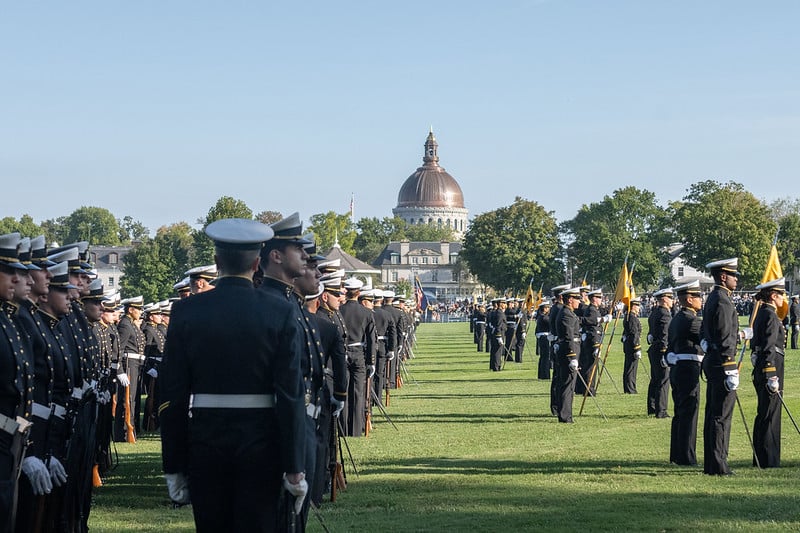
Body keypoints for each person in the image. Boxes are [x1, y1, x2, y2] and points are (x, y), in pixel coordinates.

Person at [160, 217, 307, 532]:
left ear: (216, 262)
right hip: (261, 446)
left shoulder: (187, 311)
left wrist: (173, 465)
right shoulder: (279, 311)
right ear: (257, 263)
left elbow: (172, 395)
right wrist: (294, 467)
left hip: (205, 444)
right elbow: (290, 394)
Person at [702, 258, 750, 476]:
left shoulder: (716, 298)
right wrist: (730, 367)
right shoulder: (722, 300)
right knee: (721, 415)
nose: (736, 279)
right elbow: (723, 337)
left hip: (714, 362)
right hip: (723, 364)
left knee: (714, 413)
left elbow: (711, 334)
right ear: (723, 276)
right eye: (733, 275)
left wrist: (739, 335)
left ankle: (713, 463)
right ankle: (718, 464)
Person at [667, 280, 704, 466]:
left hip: (678, 369)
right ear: (689, 299)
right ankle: (686, 457)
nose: (701, 299)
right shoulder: (691, 320)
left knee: (680, 413)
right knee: (689, 413)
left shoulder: (677, 318)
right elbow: (708, 336)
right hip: (688, 369)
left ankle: (677, 454)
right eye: (698, 296)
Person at [750, 277, 786, 468]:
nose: (783, 298)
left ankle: (761, 456)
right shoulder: (770, 315)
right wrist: (771, 374)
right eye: (781, 294)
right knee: (770, 414)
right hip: (770, 367)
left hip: (762, 366)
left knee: (764, 412)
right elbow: (769, 346)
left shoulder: (763, 313)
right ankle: (768, 458)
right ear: (773, 296)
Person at [555, 287, 582, 423]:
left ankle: (565, 414)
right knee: (568, 385)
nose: (579, 301)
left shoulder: (568, 313)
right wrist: (572, 356)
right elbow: (569, 336)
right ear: (570, 300)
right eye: (577, 299)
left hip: (568, 350)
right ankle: (565, 416)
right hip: (569, 352)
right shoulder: (566, 314)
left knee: (566, 384)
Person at [647, 288, 674, 418]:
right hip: (661, 350)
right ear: (664, 299)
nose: (672, 301)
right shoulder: (665, 314)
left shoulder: (655, 312)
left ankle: (652, 406)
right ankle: (661, 410)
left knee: (655, 379)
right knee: (663, 380)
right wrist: (665, 352)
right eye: (670, 298)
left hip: (654, 348)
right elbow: (665, 334)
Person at [621, 299, 643, 394]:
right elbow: (634, 333)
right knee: (631, 369)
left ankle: (629, 387)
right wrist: (637, 347)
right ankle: (630, 389)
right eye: (637, 306)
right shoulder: (632, 317)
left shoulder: (628, 316)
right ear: (633, 306)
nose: (639, 308)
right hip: (632, 345)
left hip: (629, 344)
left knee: (630, 367)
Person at [535, 301, 551, 380]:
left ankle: (541, 374)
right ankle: (545, 375)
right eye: (547, 307)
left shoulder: (540, 317)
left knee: (543, 357)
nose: (548, 309)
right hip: (545, 337)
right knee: (545, 357)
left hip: (542, 337)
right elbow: (550, 323)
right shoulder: (544, 317)